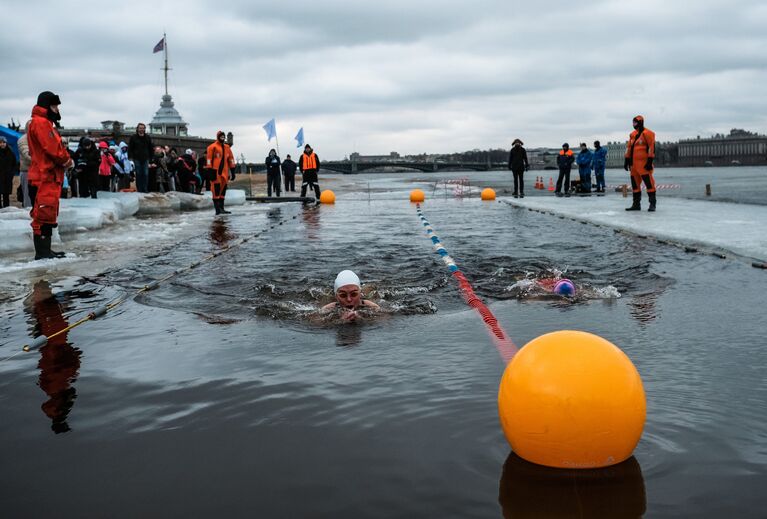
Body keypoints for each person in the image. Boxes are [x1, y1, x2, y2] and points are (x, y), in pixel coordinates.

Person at [27, 90, 73, 260]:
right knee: (42, 214)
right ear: (47, 106)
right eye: (54, 106)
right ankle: (42, 252)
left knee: (47, 214)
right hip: (44, 176)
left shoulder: (42, 122)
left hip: (46, 176)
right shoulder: (42, 123)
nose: (57, 109)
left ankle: (46, 250)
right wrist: (67, 161)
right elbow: (53, 149)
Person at [624, 115, 657, 211]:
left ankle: (652, 204)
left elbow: (651, 147)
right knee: (635, 185)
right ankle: (636, 204)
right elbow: (628, 148)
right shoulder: (632, 135)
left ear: (640, 122)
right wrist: (626, 160)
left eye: (635, 122)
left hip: (644, 164)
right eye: (633, 122)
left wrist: (650, 161)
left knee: (649, 184)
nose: (633, 124)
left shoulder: (648, 133)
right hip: (633, 165)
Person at [206, 130, 237, 215]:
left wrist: (233, 171)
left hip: (225, 173)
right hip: (215, 173)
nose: (222, 138)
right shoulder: (212, 147)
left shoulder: (227, 148)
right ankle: (217, 210)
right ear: (218, 137)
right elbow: (209, 159)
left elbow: (231, 159)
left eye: (223, 137)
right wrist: (209, 170)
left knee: (223, 191)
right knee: (216, 191)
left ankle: (222, 208)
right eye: (221, 137)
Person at [128, 122, 153, 193]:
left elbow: (151, 148)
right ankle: (139, 190)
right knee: (138, 174)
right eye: (140, 128)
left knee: (145, 174)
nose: (141, 129)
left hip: (146, 158)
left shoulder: (148, 137)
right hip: (136, 158)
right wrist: (130, 158)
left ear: (144, 129)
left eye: (143, 128)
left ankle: (145, 189)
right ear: (137, 129)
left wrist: (151, 158)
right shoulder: (133, 137)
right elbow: (130, 148)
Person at [17, 121, 32, 207]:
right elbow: (27, 155)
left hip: (38, 172)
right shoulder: (23, 140)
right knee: (28, 199)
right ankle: (28, 216)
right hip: (27, 172)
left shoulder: (37, 138)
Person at [0, 136, 17, 208]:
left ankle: (6, 208)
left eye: (4, 142)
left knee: (6, 193)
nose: (2, 144)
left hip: (7, 176)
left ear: (6, 143)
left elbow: (14, 164)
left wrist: (11, 173)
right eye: (0, 143)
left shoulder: (11, 152)